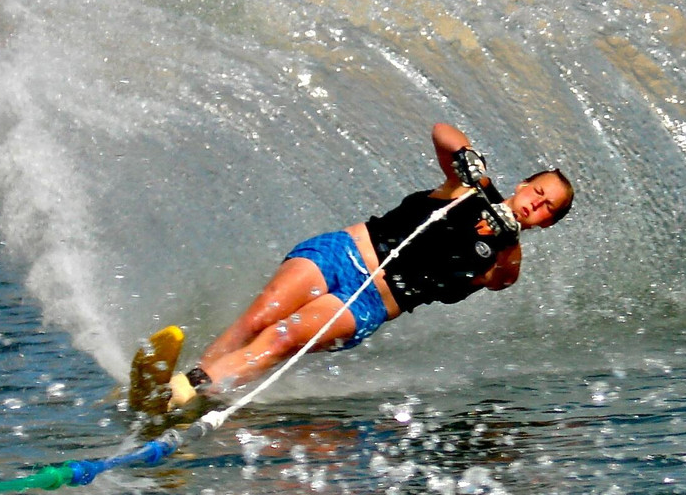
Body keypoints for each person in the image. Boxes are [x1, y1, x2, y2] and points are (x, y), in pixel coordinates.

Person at [164, 122, 574, 409]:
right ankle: (189, 382)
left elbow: (503, 280)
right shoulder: (470, 186)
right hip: (343, 253)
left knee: (280, 339)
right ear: (523, 185)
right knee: (260, 318)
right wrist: (467, 156)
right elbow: (441, 132)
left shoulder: (506, 255)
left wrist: (507, 239)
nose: (536, 203)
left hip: (368, 303)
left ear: (548, 222)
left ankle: (191, 390)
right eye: (538, 191)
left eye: (546, 208)